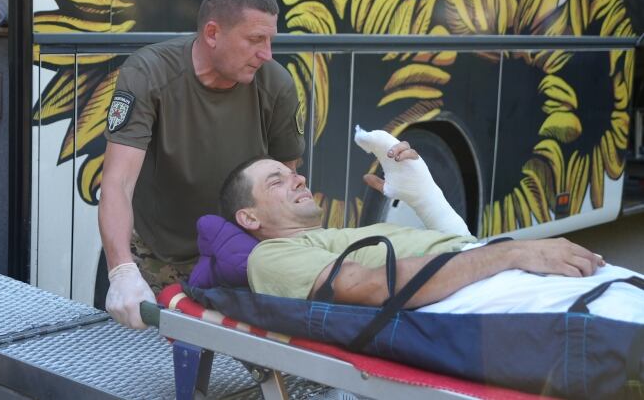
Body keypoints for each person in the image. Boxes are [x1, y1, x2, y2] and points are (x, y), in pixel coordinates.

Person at [99, 0, 305, 329]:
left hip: (236, 254)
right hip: (157, 254)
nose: (267, 54)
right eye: (256, 39)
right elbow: (117, 182)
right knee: (143, 368)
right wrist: (121, 271)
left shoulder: (276, 84)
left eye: (271, 40)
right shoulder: (149, 73)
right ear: (213, 34)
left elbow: (284, 186)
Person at [219, 152, 630, 312]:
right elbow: (373, 288)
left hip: (506, 274)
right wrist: (511, 253)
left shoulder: (336, 239)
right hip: (500, 293)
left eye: (293, 172)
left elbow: (460, 248)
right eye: (277, 181)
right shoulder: (270, 256)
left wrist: (424, 196)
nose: (298, 178)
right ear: (249, 219)